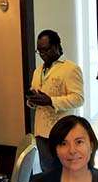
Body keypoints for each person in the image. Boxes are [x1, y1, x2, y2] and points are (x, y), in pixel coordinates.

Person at [27, 29, 84, 173]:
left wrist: (51, 101)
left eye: (45, 50)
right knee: (47, 172)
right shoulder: (38, 70)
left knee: (64, 172)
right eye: (39, 51)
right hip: (41, 131)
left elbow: (78, 99)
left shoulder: (70, 69)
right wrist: (33, 101)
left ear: (56, 46)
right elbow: (37, 96)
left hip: (62, 131)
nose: (42, 54)